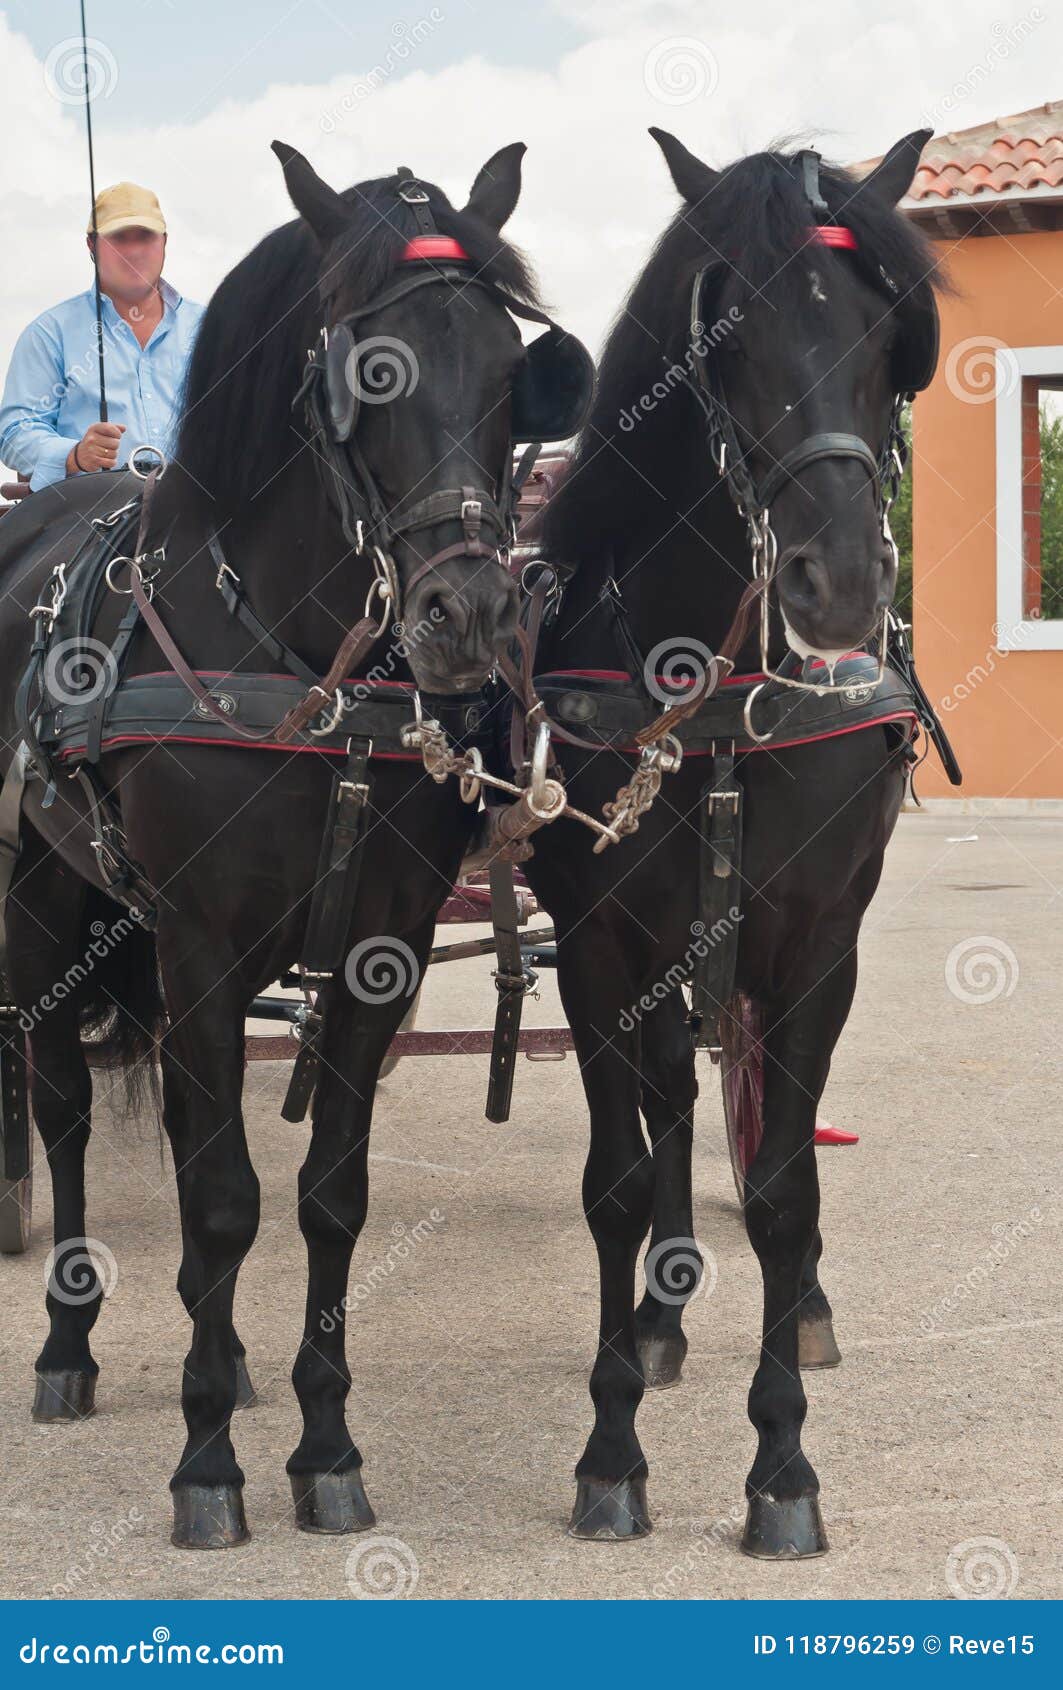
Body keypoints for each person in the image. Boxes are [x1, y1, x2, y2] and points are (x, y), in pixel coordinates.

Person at [0, 181, 204, 497]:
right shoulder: (49, 333)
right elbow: (14, 434)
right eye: (119, 238)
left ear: (164, 241)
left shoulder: (209, 325)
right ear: (91, 246)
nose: (134, 251)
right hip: (90, 508)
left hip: (198, 506)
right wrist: (74, 455)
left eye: (145, 236)